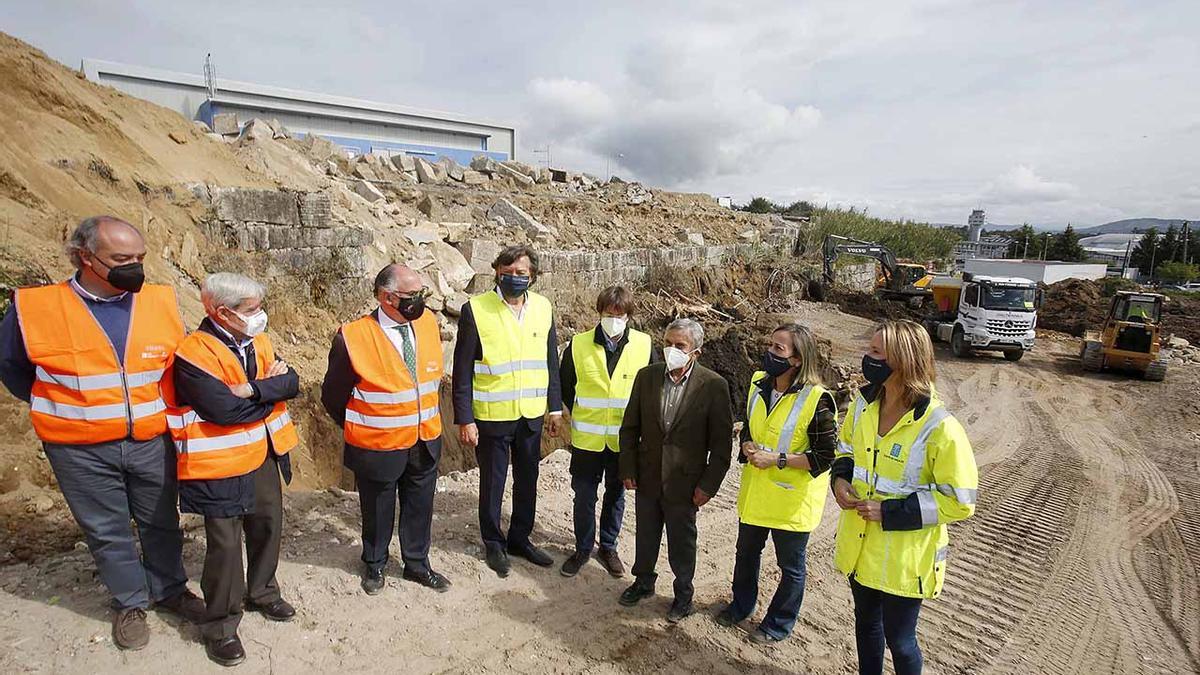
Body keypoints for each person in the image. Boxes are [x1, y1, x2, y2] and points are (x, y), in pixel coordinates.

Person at [0, 215, 203, 650]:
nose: (136, 266)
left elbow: (175, 366)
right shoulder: (35, 308)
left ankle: (169, 590)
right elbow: (15, 371)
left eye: (141, 257)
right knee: (106, 528)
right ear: (86, 257)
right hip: (80, 449)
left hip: (151, 439)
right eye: (122, 258)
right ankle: (129, 601)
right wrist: (67, 410)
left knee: (161, 522)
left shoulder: (159, 301)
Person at [166, 272, 300, 667]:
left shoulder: (257, 340)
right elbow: (223, 411)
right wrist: (266, 391)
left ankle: (262, 592)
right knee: (225, 545)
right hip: (218, 462)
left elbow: (291, 382)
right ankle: (221, 626)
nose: (260, 316)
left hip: (263, 453)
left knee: (267, 525)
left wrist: (252, 389)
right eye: (252, 310)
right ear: (223, 312)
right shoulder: (193, 354)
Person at [831, 319, 979, 675]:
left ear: (904, 359)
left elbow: (960, 500)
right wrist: (839, 481)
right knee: (866, 626)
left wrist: (890, 511)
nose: (866, 358)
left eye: (876, 352)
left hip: (903, 558)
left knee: (900, 640)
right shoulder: (863, 405)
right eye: (869, 350)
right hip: (861, 548)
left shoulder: (940, 427)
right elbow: (846, 449)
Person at [321, 264, 450, 595]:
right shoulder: (353, 336)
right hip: (378, 444)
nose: (421, 301)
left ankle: (417, 564)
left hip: (424, 438)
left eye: (423, 293)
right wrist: (364, 425)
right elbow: (333, 396)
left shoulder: (427, 325)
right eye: (414, 295)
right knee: (377, 508)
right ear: (387, 297)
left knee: (420, 505)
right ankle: (375, 564)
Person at [715, 323, 838, 644]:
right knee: (746, 554)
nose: (769, 353)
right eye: (770, 346)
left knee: (791, 567)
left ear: (797, 360)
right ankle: (741, 605)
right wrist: (747, 445)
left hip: (791, 500)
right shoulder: (759, 383)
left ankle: (778, 623)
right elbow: (751, 427)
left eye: (778, 349)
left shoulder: (817, 400)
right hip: (756, 493)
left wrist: (777, 460)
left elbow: (825, 456)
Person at [452, 245, 564, 577]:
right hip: (492, 416)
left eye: (521, 273)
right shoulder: (476, 309)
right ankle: (494, 543)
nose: (514, 278)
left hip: (530, 415)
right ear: (496, 272)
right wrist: (464, 417)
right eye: (508, 271)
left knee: (527, 480)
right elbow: (462, 371)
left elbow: (550, 363)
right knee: (493, 482)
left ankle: (520, 539)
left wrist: (554, 409)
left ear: (533, 277)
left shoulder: (543, 308)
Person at [617, 318, 733, 622]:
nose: (671, 350)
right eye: (667, 343)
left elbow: (721, 448)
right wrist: (628, 466)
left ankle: (683, 594)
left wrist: (707, 486)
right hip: (648, 475)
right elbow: (629, 428)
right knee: (645, 534)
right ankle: (643, 582)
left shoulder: (713, 386)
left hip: (686, 483)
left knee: (682, 542)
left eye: (679, 345)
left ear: (695, 351)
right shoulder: (647, 377)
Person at [558, 286, 659, 578]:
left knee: (616, 494)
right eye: (607, 314)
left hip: (624, 442)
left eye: (620, 314)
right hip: (587, 439)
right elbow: (566, 386)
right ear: (599, 313)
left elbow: (652, 390)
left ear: (629, 316)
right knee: (584, 495)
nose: (613, 319)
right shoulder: (578, 345)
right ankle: (582, 548)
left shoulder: (643, 345)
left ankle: (609, 546)